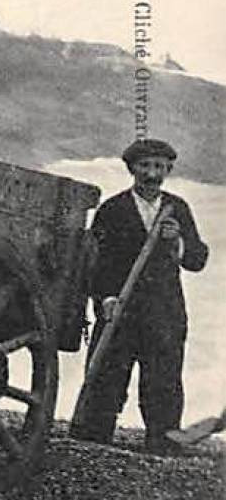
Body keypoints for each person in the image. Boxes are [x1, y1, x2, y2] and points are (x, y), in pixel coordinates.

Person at [69, 138, 208, 453]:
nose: (151, 174)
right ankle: (93, 436)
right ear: (132, 169)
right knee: (108, 371)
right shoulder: (113, 210)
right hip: (120, 306)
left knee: (163, 377)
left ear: (168, 170)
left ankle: (163, 440)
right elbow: (95, 262)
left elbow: (198, 260)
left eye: (159, 167)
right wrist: (104, 298)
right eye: (145, 166)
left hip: (164, 311)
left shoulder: (177, 209)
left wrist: (179, 242)